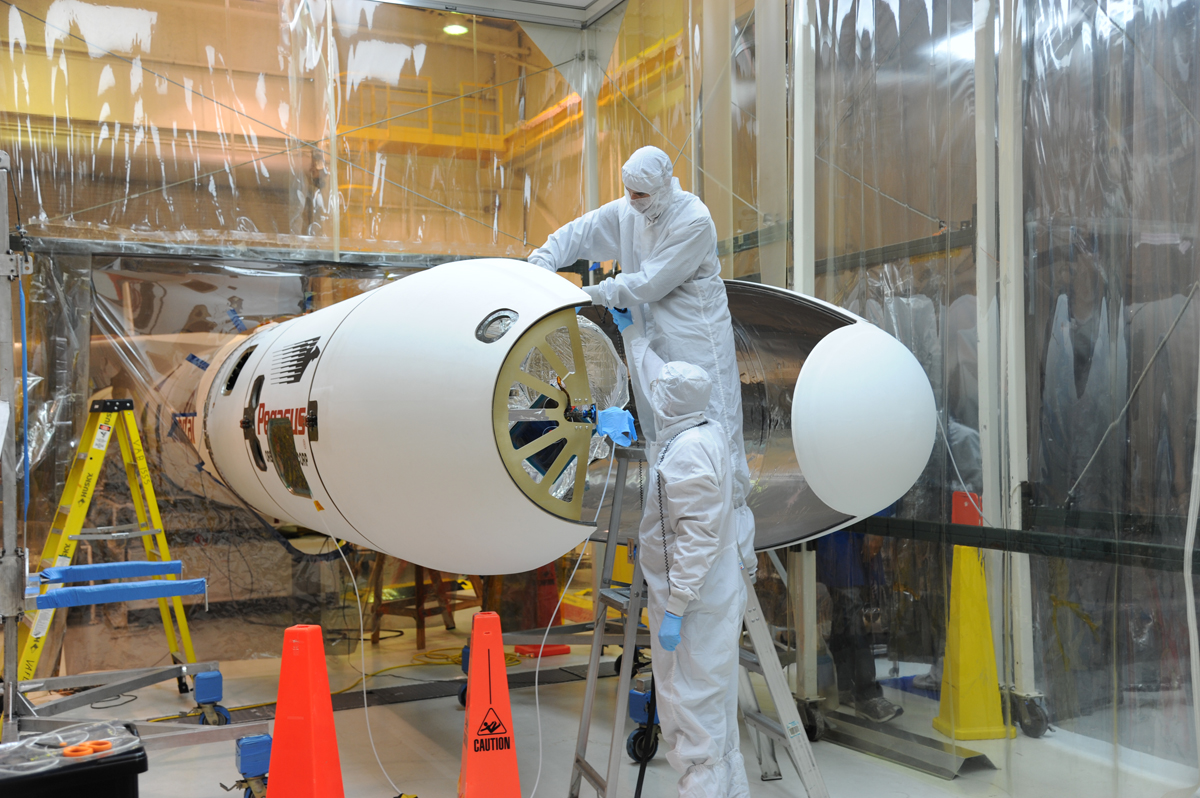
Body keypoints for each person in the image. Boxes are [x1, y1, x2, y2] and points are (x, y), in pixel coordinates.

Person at [526, 145, 755, 573]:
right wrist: (540, 265)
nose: (633, 201)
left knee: (714, 443)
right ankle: (675, 557)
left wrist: (589, 295)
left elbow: (650, 283)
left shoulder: (693, 220)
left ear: (665, 186)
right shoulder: (632, 209)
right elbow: (581, 232)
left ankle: (730, 561)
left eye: (641, 195)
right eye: (628, 192)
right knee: (661, 441)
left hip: (695, 339)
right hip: (651, 337)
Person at [618, 313, 749, 798]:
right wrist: (632, 334)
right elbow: (661, 378)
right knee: (716, 719)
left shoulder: (689, 452)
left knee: (689, 715)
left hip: (691, 605)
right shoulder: (704, 427)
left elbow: (697, 540)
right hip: (710, 595)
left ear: (668, 405)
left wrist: (675, 608)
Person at [816, 530, 904, 723]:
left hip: (853, 535)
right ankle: (867, 694)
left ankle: (843, 685)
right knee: (850, 610)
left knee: (845, 612)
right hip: (839, 538)